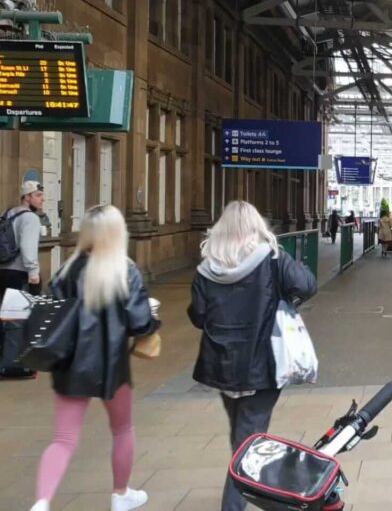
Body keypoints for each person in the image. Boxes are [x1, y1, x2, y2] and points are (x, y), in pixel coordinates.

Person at [188, 200, 316, 511]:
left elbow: (197, 316)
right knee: (249, 442)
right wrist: (285, 301)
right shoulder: (272, 258)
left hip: (222, 366)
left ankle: (256, 490)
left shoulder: (207, 269)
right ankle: (237, 503)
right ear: (256, 227)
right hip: (262, 364)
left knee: (242, 432)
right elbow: (307, 285)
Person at [30, 205, 160, 511]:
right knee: (123, 429)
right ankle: (120, 494)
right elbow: (140, 323)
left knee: (62, 439)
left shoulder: (66, 271)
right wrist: (154, 320)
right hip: (112, 367)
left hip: (69, 366)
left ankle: (42, 501)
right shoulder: (126, 271)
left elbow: (50, 316)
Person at [1, 181, 45, 379]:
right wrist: (33, 272)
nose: (42, 199)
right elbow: (28, 248)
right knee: (16, 319)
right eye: (37, 195)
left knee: (4, 317)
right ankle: (12, 366)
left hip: (3, 270)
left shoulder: (8, 213)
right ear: (27, 197)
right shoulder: (30, 218)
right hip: (19, 272)